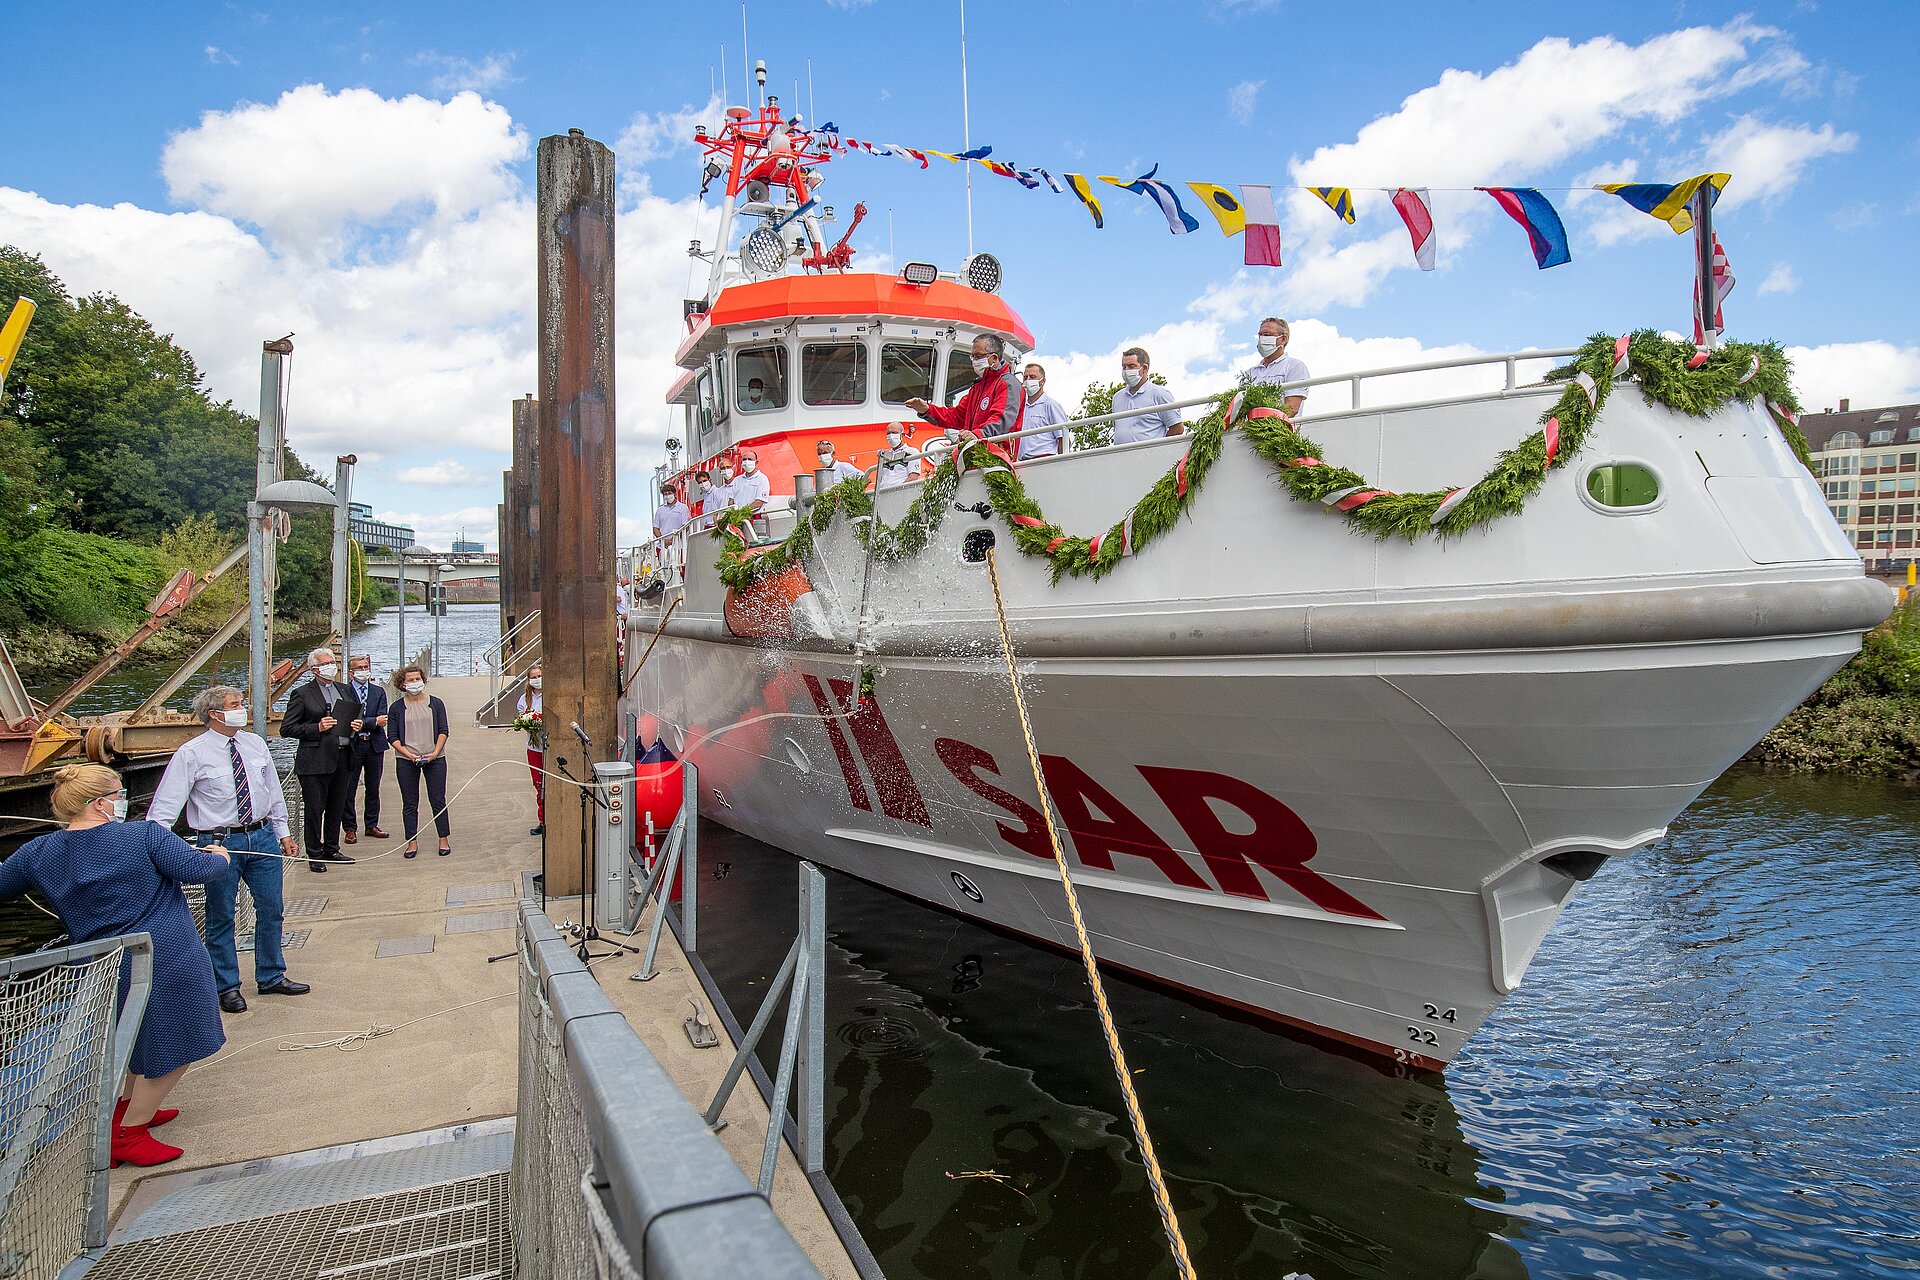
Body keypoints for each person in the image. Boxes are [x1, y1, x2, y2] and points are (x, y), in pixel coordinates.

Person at [0, 763, 232, 1167]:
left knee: (134, 1037)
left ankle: (126, 1110)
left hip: (102, 963)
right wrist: (220, 856)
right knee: (182, 1042)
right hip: (168, 955)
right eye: (118, 793)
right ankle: (129, 1133)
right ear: (102, 803)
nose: (122, 800)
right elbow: (197, 871)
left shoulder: (39, 852)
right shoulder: (143, 834)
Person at [148, 683, 311, 1015]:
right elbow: (164, 810)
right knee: (221, 914)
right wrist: (159, 851)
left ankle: (271, 975)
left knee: (272, 908)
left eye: (243, 702)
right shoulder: (191, 753)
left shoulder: (254, 744)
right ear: (214, 714)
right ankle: (227, 986)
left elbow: (272, 792)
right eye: (236, 704)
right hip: (218, 843)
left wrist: (283, 832)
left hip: (262, 835)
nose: (244, 707)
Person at [279, 647, 362, 872]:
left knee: (337, 806)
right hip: (315, 760)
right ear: (315, 669)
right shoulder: (302, 694)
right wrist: (317, 727)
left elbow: (355, 715)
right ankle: (314, 853)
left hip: (343, 757)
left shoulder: (345, 689)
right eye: (326, 663)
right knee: (315, 809)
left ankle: (332, 848)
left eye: (332, 662)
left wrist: (357, 725)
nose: (331, 667)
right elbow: (287, 728)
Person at [903, 334, 1024, 441]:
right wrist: (927, 410)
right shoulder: (977, 388)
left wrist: (978, 434)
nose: (974, 361)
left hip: (996, 457)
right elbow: (956, 416)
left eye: (978, 356)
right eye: (973, 357)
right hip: (975, 454)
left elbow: (1002, 419)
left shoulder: (1007, 384)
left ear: (994, 358)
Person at [388, 665, 452, 858]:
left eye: (418, 679)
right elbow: (392, 737)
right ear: (402, 684)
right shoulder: (397, 708)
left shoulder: (436, 703)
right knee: (409, 802)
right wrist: (408, 754)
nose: (415, 683)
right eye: (411, 680)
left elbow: (443, 730)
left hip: (435, 758)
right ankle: (412, 842)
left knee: (438, 800)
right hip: (407, 760)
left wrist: (435, 752)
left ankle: (443, 839)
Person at [341, 654, 390, 844]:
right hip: (352, 746)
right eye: (359, 668)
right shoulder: (344, 692)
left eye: (365, 667)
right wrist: (370, 722)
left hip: (374, 746)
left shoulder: (378, 692)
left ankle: (371, 825)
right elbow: (346, 720)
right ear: (351, 672)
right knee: (349, 788)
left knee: (373, 787)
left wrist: (363, 723)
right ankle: (350, 828)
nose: (363, 671)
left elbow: (382, 720)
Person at [1112, 347, 1183, 444]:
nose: (1126, 370)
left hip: (1150, 457)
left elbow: (1177, 428)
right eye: (1124, 367)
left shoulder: (1160, 394)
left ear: (1144, 368)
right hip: (1119, 457)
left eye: (1131, 366)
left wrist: (1158, 448)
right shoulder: (1117, 397)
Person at [1241, 316, 1310, 416]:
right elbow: (1239, 411)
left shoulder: (1294, 366)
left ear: (1283, 339)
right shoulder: (1249, 374)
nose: (1262, 339)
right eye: (1260, 335)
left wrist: (1264, 422)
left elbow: (1291, 408)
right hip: (1251, 430)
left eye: (1267, 335)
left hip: (1281, 429)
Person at [1017, 362, 1070, 460]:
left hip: (1044, 460)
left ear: (1042, 381)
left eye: (1032, 377)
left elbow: (1063, 437)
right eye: (1025, 377)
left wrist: (1062, 463)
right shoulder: (1020, 408)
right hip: (1022, 463)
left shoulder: (1051, 405)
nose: (1028, 380)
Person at [517, 664, 545, 836]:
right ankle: (542, 820)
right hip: (534, 747)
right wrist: (528, 724)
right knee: (538, 785)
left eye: (539, 675)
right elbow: (521, 717)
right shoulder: (524, 699)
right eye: (533, 677)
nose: (537, 679)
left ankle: (552, 819)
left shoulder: (549, 695)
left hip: (548, 746)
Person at [731, 449, 772, 521]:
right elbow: (731, 500)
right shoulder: (736, 480)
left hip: (754, 517)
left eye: (750, 459)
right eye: (744, 459)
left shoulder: (762, 479)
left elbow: (759, 502)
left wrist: (741, 513)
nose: (747, 462)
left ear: (756, 462)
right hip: (737, 519)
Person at [875, 424, 920, 489]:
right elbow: (880, 479)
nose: (891, 436)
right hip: (882, 494)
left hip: (900, 492)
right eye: (888, 433)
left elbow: (913, 477)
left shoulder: (911, 452)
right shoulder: (885, 455)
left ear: (902, 435)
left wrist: (899, 491)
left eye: (894, 433)